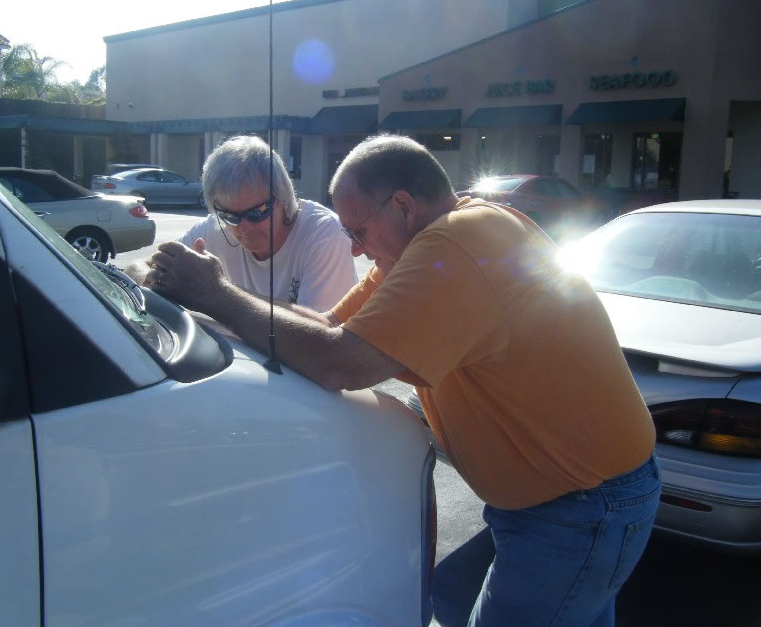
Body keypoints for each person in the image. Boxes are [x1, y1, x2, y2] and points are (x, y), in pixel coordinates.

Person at [145, 134, 660, 627]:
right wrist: (204, 305)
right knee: (469, 600)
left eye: (357, 231)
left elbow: (340, 362)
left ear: (403, 206)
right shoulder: (425, 247)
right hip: (571, 502)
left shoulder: (456, 245)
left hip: (582, 507)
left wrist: (215, 294)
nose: (353, 250)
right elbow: (328, 328)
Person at [126, 135, 356, 312]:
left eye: (258, 212)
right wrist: (153, 280)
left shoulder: (324, 234)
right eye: (229, 216)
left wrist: (216, 292)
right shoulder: (214, 229)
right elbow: (137, 267)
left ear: (283, 198)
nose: (243, 228)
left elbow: (312, 338)